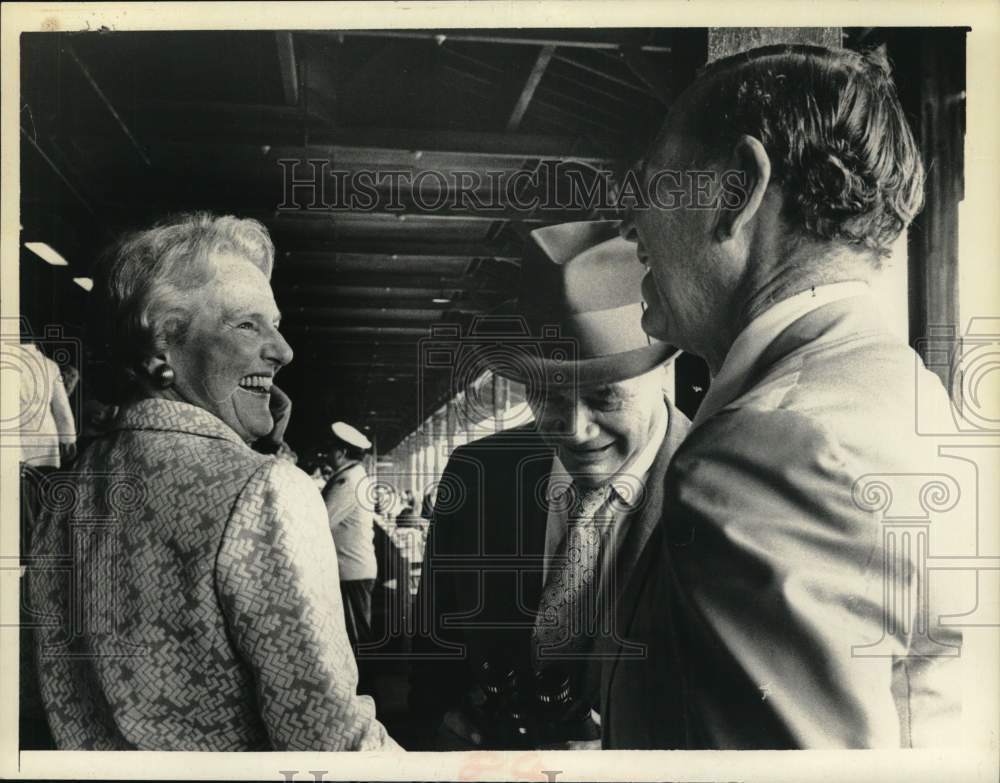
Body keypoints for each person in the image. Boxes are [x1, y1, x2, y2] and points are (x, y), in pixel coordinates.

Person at [612, 44, 963, 748]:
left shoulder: (765, 451)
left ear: (738, 189)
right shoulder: (911, 396)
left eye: (649, 183)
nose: (630, 224)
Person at [28, 213, 398, 751]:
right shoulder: (267, 491)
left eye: (276, 323)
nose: (283, 350)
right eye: (248, 325)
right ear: (162, 354)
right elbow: (328, 742)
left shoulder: (64, 495)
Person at [410, 220, 689, 749]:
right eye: (548, 396)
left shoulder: (720, 487)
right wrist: (445, 721)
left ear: (662, 368)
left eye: (605, 396)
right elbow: (432, 652)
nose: (575, 428)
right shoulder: (476, 474)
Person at [322, 422, 378, 657]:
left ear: (341, 453)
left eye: (331, 450)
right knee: (356, 636)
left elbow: (322, 518)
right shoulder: (353, 476)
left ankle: (366, 689)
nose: (327, 455)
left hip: (350, 571)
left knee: (355, 639)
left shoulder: (347, 482)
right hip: (354, 568)